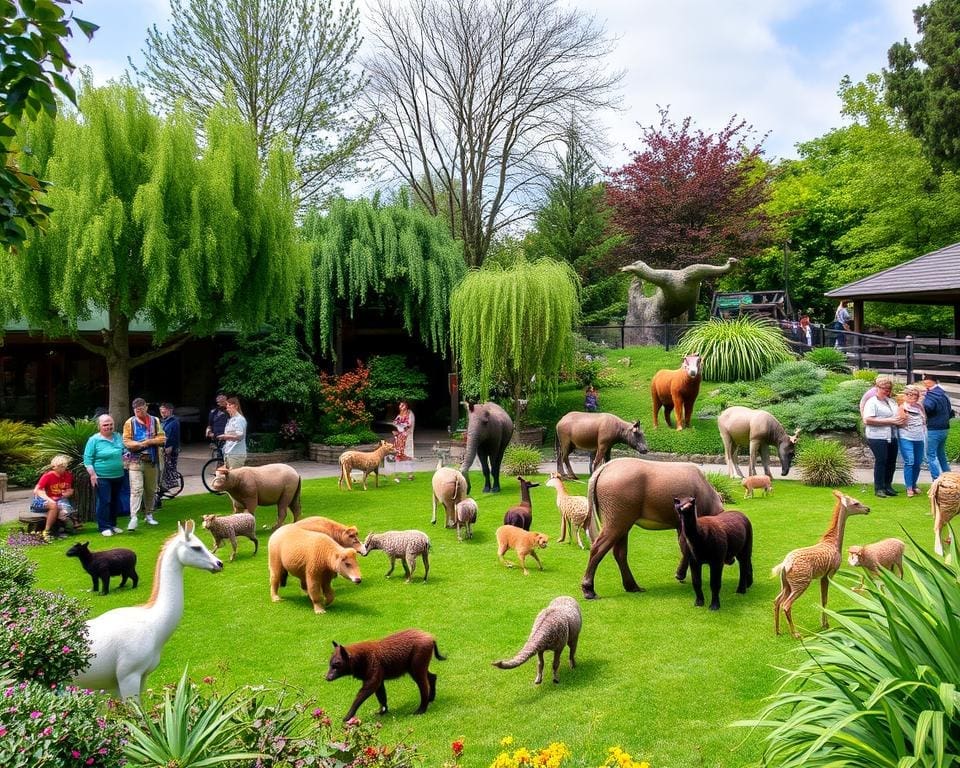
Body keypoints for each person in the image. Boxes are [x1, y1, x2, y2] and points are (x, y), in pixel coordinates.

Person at [123, 397, 166, 530]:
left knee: (151, 490)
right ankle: (134, 517)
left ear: (146, 407)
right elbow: (126, 441)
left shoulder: (155, 420)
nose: (138, 412)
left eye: (140, 409)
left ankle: (149, 514)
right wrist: (137, 444)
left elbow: (162, 438)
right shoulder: (130, 422)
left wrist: (148, 442)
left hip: (152, 461)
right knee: (136, 489)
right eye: (136, 410)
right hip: (135, 461)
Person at [83, 413, 128, 537]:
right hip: (102, 477)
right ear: (100, 426)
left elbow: (125, 451)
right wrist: (93, 475)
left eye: (111, 424)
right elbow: (87, 459)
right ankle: (103, 527)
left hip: (118, 475)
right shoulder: (94, 440)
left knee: (115, 501)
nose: (108, 427)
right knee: (104, 501)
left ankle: (113, 524)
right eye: (105, 425)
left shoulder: (118, 436)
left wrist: (126, 456)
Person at [861, 377, 904, 498]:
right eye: (885, 389)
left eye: (889, 389)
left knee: (891, 462)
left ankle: (888, 486)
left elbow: (898, 415)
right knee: (881, 461)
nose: (887, 391)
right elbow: (867, 419)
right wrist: (889, 420)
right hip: (877, 436)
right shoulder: (872, 402)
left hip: (892, 435)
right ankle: (879, 488)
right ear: (877, 388)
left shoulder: (890, 401)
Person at [31, 453, 76, 541]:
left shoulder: (68, 475)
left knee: (64, 513)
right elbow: (37, 490)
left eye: (63, 466)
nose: (62, 468)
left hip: (61, 500)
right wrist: (49, 499)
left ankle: (59, 530)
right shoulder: (48, 476)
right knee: (54, 506)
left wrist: (69, 492)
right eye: (59, 466)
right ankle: (46, 531)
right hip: (43, 500)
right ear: (54, 466)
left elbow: (69, 489)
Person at [921, 373, 953, 480]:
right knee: (941, 454)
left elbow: (928, 407)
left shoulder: (931, 395)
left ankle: (936, 479)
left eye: (924, 381)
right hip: (944, 428)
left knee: (931, 455)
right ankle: (948, 476)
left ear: (928, 382)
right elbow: (950, 410)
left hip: (934, 429)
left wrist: (921, 402)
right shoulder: (944, 394)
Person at [897, 384, 927, 497]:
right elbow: (901, 422)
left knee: (918, 462)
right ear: (905, 395)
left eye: (914, 394)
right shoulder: (902, 407)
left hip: (919, 437)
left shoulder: (919, 407)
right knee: (910, 461)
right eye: (909, 394)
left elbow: (924, 420)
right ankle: (909, 488)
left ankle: (914, 485)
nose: (912, 396)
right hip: (906, 437)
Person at [154, 402, 180, 509]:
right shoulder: (162, 421)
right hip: (162, 449)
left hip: (170, 450)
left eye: (164, 411)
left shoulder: (174, 422)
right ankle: (159, 495)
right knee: (161, 474)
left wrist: (171, 447)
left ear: (170, 410)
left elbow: (174, 436)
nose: (162, 413)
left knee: (164, 473)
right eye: (161, 411)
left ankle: (159, 496)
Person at [392, 400, 416, 482]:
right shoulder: (399, 415)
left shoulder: (410, 414)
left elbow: (409, 425)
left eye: (402, 405)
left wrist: (402, 427)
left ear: (406, 406)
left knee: (408, 455)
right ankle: (397, 475)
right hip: (400, 438)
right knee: (398, 455)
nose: (400, 407)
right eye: (400, 405)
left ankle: (410, 474)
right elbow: (395, 422)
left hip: (407, 439)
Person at [221, 396, 247, 468]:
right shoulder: (232, 419)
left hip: (236, 454)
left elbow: (240, 436)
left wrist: (225, 437)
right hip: (229, 453)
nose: (227, 407)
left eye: (229, 405)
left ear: (236, 406)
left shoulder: (239, 419)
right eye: (227, 405)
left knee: (235, 478)